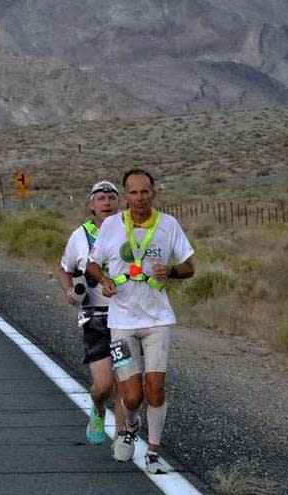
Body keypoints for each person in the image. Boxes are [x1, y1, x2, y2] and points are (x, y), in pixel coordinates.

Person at [86, 168, 195, 474]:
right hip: (121, 321)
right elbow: (93, 264)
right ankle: (131, 426)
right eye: (132, 192)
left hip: (158, 320)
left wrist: (170, 272)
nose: (139, 197)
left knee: (156, 388)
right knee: (132, 395)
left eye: (144, 191)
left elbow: (189, 267)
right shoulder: (111, 227)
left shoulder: (168, 225)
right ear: (125, 197)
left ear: (153, 193)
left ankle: (154, 452)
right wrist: (104, 280)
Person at [56, 180, 128, 445]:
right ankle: (98, 408)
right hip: (95, 316)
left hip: (127, 315)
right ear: (91, 205)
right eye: (101, 198)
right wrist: (69, 292)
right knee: (104, 384)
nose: (107, 202)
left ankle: (122, 439)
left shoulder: (131, 232)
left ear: (119, 203)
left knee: (125, 381)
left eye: (111, 197)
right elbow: (64, 268)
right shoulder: (81, 235)